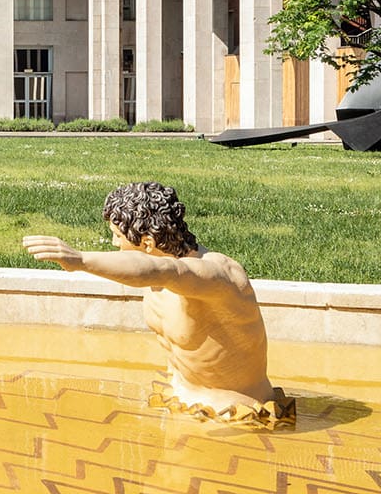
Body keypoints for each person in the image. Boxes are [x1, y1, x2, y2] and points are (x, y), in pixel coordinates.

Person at [23, 181, 294, 428]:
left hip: (237, 417)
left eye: (118, 236)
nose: (113, 243)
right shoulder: (153, 277)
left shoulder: (217, 277)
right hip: (182, 402)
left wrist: (81, 260)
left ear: (148, 243)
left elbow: (165, 270)